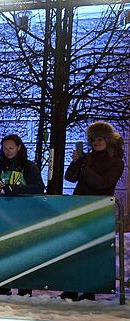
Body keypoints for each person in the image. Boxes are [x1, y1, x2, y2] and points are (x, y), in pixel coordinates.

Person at [62, 121, 125, 302]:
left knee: (91, 252)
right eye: (93, 139)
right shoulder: (87, 158)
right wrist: (76, 163)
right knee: (74, 250)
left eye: (100, 139)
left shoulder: (116, 162)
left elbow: (102, 183)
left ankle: (89, 290)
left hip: (98, 210)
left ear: (107, 139)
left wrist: (84, 167)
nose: (96, 142)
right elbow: (70, 177)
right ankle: (72, 288)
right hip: (78, 206)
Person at [0, 134, 45, 297]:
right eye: (5, 148)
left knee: (23, 251)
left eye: (11, 148)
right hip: (2, 216)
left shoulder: (29, 166)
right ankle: (3, 285)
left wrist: (14, 189)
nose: (8, 151)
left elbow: (39, 188)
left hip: (24, 216)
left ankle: (24, 288)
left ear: (19, 147)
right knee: (2, 250)